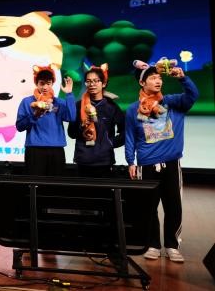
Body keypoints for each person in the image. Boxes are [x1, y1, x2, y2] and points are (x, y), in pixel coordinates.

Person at [126, 60, 198, 263]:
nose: (158, 81)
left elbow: (193, 95)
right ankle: (153, 245)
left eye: (159, 77)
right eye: (152, 78)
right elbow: (130, 136)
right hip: (146, 164)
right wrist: (131, 161)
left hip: (171, 162)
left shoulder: (173, 102)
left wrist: (183, 78)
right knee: (148, 207)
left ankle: (172, 245)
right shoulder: (133, 109)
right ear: (142, 83)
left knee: (173, 206)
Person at [16, 65, 75, 176]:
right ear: (36, 83)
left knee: (55, 184)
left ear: (52, 84)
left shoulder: (59, 102)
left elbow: (71, 117)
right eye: (42, 83)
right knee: (35, 183)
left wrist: (69, 94)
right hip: (35, 149)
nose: (45, 87)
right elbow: (19, 126)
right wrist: (35, 115)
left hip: (56, 149)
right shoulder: (27, 102)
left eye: (48, 83)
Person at [67, 64, 125, 178]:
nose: (92, 84)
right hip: (83, 160)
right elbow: (71, 134)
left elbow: (125, 130)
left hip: (105, 161)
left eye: (96, 81)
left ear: (103, 83)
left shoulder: (111, 106)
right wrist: (82, 126)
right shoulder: (78, 106)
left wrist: (111, 143)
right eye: (88, 81)